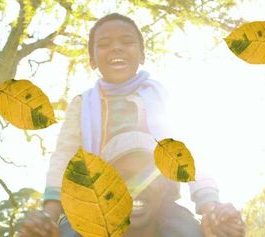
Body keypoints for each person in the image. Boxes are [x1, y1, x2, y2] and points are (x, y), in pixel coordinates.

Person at [19, 13, 245, 237]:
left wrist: (210, 207)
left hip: (158, 198)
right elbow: (64, 157)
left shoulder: (163, 98)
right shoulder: (82, 105)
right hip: (98, 199)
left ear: (142, 54)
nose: (116, 48)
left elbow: (188, 154)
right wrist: (50, 214)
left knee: (188, 231)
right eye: (105, 44)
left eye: (127, 42)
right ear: (92, 60)